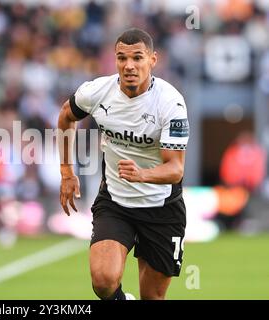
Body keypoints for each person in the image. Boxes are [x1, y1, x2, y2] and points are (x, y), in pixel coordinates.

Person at [58, 28, 189, 300]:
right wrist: (66, 171)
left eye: (137, 58)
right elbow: (66, 116)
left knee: (152, 297)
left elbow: (176, 170)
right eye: (121, 58)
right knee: (104, 281)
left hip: (161, 208)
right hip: (116, 203)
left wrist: (142, 174)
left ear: (153, 60)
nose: (129, 66)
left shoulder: (171, 104)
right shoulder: (96, 92)